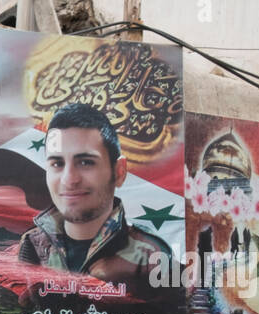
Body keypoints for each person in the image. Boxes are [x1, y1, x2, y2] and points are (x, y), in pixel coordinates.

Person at [18, 103, 172, 293]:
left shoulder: (149, 254)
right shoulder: (33, 245)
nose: (69, 179)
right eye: (57, 163)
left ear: (119, 172)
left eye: (85, 162)